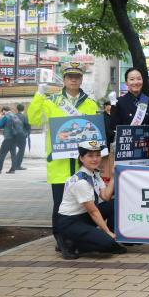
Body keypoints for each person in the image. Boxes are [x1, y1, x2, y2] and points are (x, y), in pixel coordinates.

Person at [27, 62, 100, 253]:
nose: (73, 80)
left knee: (84, 204)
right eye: (69, 77)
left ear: (81, 79)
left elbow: (95, 133)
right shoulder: (52, 101)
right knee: (60, 205)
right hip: (59, 164)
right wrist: (39, 95)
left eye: (77, 76)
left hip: (83, 166)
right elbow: (33, 119)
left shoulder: (91, 104)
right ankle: (61, 240)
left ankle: (79, 239)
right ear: (64, 79)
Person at [56, 140, 126, 259]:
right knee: (107, 243)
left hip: (84, 216)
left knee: (115, 204)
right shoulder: (81, 181)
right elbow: (93, 211)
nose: (95, 159)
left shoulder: (94, 174)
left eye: (98, 155)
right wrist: (107, 232)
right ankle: (69, 242)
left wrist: (113, 177)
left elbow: (105, 196)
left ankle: (109, 237)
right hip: (70, 222)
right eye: (90, 156)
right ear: (81, 158)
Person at [108, 68, 149, 142]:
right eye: (132, 79)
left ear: (142, 81)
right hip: (127, 144)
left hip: (146, 144)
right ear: (126, 83)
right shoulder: (119, 102)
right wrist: (113, 107)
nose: (136, 82)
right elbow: (113, 127)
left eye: (139, 79)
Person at [0, 106, 17, 173]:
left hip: (8, 138)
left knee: (2, 154)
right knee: (13, 154)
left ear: (4, 111)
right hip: (14, 138)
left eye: (2, 111)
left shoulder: (6, 117)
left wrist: (0, 118)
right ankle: (13, 169)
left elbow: (0, 125)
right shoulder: (14, 116)